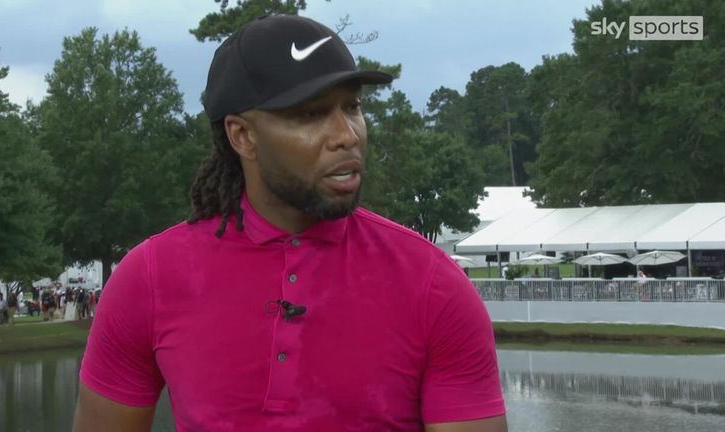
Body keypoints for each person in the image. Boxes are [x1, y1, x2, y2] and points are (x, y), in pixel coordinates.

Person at [74, 15, 506, 432]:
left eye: (352, 107)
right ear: (242, 136)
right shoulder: (147, 279)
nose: (347, 134)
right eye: (312, 114)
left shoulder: (435, 287)